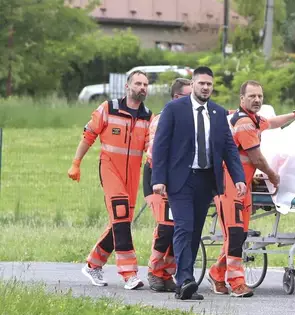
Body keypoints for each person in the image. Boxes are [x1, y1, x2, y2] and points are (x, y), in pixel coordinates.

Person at [207, 80, 295, 297]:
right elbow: (256, 158)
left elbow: (272, 123)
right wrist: (274, 177)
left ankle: (217, 273)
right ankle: (236, 282)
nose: (257, 100)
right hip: (229, 185)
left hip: (241, 185)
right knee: (235, 234)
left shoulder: (254, 120)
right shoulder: (244, 123)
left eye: (260, 96)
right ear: (242, 99)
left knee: (239, 234)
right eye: (252, 96)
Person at [151, 66, 246, 301]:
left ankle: (187, 279)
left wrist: (239, 178)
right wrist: (158, 179)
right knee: (183, 226)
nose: (205, 87)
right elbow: (160, 146)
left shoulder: (217, 112)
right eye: (201, 83)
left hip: (205, 180)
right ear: (193, 84)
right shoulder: (174, 109)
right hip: (180, 180)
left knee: (194, 232)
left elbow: (229, 148)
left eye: (209, 84)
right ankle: (183, 280)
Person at [68, 71, 152, 290]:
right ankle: (129, 274)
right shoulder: (109, 108)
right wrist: (76, 163)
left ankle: (93, 264)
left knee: (120, 221)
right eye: (138, 83)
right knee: (121, 216)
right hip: (110, 169)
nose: (142, 87)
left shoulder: (147, 117)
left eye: (145, 84)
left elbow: (151, 149)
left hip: (132, 176)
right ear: (127, 86)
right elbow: (88, 135)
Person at [142, 78, 192, 292]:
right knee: (165, 228)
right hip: (158, 178)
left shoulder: (193, 120)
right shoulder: (162, 119)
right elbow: (155, 153)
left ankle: (166, 272)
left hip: (180, 181)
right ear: (177, 98)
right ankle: (154, 271)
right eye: (190, 96)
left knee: (177, 228)